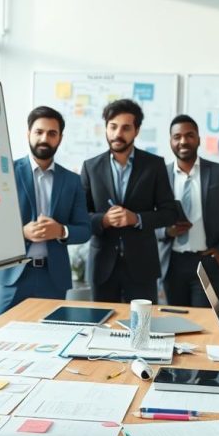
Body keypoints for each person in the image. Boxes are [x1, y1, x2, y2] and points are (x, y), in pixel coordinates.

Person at [0, 106, 91, 314]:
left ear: (60, 138)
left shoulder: (72, 181)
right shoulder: (5, 173)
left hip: (53, 278)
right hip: (13, 276)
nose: (44, 138)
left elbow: (85, 229)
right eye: (39, 132)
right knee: (1, 338)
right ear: (29, 134)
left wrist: (61, 231)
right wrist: (22, 233)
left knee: (52, 337)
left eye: (52, 133)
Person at [81, 99, 180, 303]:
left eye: (126, 128)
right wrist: (104, 220)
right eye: (113, 127)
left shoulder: (154, 165)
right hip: (102, 266)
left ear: (136, 131)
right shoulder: (91, 167)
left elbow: (169, 213)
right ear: (106, 129)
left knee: (142, 328)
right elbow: (80, 216)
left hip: (142, 265)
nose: (118, 134)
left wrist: (136, 218)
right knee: (102, 326)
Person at [157, 115, 219, 307]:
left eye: (189, 135)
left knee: (207, 324)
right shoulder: (160, 175)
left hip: (207, 261)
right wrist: (167, 231)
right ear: (171, 141)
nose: (183, 141)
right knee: (173, 322)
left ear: (198, 139)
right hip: (171, 262)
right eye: (177, 136)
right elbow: (150, 219)